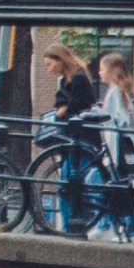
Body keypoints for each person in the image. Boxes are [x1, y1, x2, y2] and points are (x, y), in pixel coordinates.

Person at [44, 42, 101, 232]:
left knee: (70, 184)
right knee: (68, 184)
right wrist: (64, 108)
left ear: (60, 60)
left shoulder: (79, 79)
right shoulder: (65, 81)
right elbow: (61, 104)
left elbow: (75, 106)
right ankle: (72, 225)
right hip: (72, 139)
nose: (49, 69)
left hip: (83, 139)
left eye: (50, 64)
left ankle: (76, 225)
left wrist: (64, 109)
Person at [93, 52, 134, 241]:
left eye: (102, 68)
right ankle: (130, 227)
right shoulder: (120, 91)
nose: (99, 72)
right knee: (121, 187)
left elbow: (118, 119)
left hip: (116, 150)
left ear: (112, 71)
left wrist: (98, 112)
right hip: (123, 149)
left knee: (100, 182)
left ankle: (106, 225)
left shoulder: (114, 91)